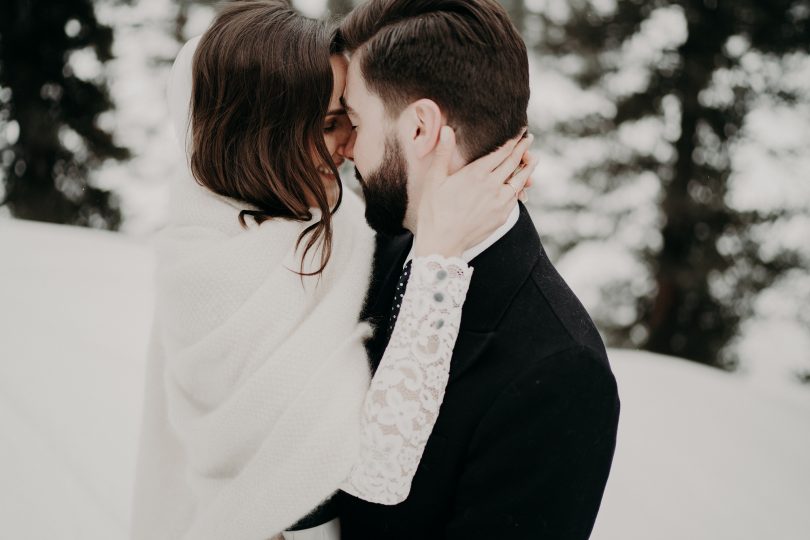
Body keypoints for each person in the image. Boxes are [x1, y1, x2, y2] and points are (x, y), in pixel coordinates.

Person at [128, 2, 535, 540]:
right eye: (328, 124)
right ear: (261, 132)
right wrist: (438, 260)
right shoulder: (207, 270)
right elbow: (362, 470)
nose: (348, 147)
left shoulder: (333, 220)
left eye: (351, 117)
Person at [334, 1, 621, 539]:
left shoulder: (562, 374)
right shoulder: (374, 246)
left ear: (420, 128)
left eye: (354, 121)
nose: (347, 148)